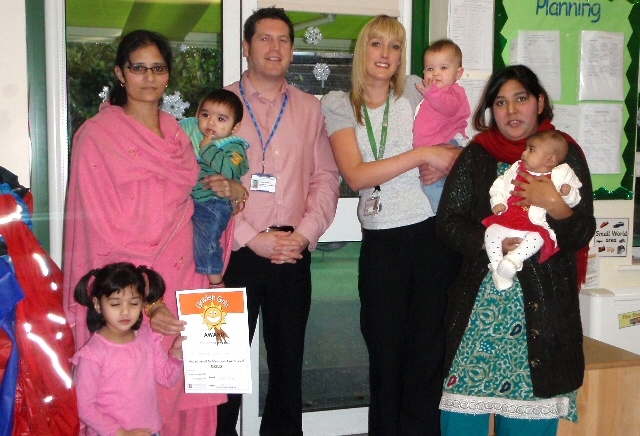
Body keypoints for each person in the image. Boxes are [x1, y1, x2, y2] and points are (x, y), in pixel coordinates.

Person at [63, 29, 229, 435]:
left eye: (158, 68)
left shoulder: (180, 136)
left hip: (186, 280)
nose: (149, 77)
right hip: (131, 293)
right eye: (138, 68)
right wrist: (147, 304)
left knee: (189, 390)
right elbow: (99, 232)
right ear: (121, 73)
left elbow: (202, 202)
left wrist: (232, 190)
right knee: (130, 399)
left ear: (168, 75)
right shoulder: (97, 138)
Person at [322, 15, 463, 436]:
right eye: (377, 44)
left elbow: (458, 140)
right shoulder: (338, 103)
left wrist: (448, 158)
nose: (386, 54)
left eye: (396, 46)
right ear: (362, 49)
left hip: (432, 235)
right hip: (384, 244)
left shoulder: (420, 90)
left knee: (427, 357)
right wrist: (423, 155)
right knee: (385, 356)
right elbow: (358, 175)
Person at [436, 65, 595, 436]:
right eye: (501, 102)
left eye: (520, 99)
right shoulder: (477, 156)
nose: (511, 111)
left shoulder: (566, 155)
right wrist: (490, 242)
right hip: (478, 319)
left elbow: (582, 231)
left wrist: (555, 205)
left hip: (543, 321)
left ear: (539, 102)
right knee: (461, 425)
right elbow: (448, 222)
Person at [214, 7, 340, 436]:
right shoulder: (219, 105)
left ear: (291, 50)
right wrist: (251, 238)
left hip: (290, 251)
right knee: (222, 368)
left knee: (288, 366)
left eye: (284, 40)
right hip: (233, 251)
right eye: (265, 39)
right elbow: (203, 182)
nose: (275, 47)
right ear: (247, 47)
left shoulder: (309, 108)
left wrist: (303, 236)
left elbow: (326, 178)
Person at [71, 263, 184, 436]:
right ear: (98, 304)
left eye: (133, 303)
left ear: (143, 303)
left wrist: (177, 354)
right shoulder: (92, 354)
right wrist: (121, 432)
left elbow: (166, 378)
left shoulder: (147, 336)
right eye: (115, 304)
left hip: (150, 431)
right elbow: (83, 407)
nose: (125, 312)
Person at [483, 130, 582, 290]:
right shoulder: (517, 169)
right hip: (508, 220)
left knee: (538, 237)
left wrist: (567, 193)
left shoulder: (560, 176)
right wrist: (498, 201)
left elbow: (575, 200)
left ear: (549, 160)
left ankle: (512, 261)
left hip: (534, 224)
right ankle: (497, 268)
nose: (524, 153)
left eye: (531, 150)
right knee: (491, 232)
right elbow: (500, 185)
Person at [180, 89, 250, 288]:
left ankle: (215, 281)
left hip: (214, 202)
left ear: (235, 127)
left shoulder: (234, 147)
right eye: (205, 115)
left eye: (221, 119)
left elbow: (228, 169)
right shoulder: (190, 131)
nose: (211, 123)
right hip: (190, 200)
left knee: (207, 237)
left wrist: (207, 149)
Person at [413, 39, 470, 212]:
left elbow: (449, 107)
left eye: (443, 68)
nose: (436, 74)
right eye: (430, 69)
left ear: (458, 73)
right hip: (432, 149)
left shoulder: (453, 93)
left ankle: (446, 216)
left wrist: (432, 93)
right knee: (432, 184)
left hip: (447, 144)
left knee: (432, 186)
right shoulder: (435, 94)